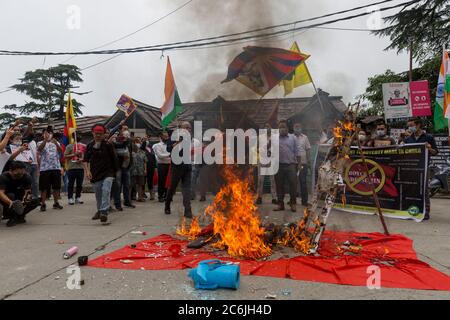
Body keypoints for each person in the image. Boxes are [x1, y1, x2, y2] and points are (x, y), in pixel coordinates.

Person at [403, 118, 438, 221]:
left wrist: (429, 148)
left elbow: (435, 152)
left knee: (424, 190)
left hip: (424, 167)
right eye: (409, 126)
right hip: (411, 168)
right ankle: (411, 211)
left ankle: (425, 212)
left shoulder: (428, 137)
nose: (410, 128)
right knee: (411, 189)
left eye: (412, 125)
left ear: (418, 125)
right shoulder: (408, 139)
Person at [83, 124, 119, 223]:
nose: (98, 136)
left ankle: (104, 212)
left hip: (108, 172)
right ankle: (99, 210)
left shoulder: (108, 145)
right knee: (98, 194)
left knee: (106, 190)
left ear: (104, 134)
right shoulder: (90, 145)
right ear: (93, 133)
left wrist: (115, 172)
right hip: (95, 173)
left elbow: (114, 159)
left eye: (100, 134)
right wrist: (87, 171)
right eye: (96, 134)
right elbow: (85, 160)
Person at [165, 122, 198, 218]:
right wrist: (177, 143)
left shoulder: (190, 138)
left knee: (186, 189)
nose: (188, 129)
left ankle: (188, 210)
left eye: (190, 128)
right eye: (186, 127)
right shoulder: (174, 137)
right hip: (177, 166)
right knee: (172, 187)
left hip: (187, 165)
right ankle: (167, 205)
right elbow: (168, 149)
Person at [0, 161, 40, 227]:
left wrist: (26, 200)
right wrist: (11, 202)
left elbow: (28, 192)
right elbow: (1, 193)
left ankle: (20, 216)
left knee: (35, 200)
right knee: (11, 196)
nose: (20, 175)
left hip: (19, 197)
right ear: (10, 171)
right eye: (17, 173)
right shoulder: (4, 177)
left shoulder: (26, 177)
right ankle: (11, 217)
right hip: (7, 199)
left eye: (22, 173)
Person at [274, 120, 301, 213]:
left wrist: (299, 164)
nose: (282, 129)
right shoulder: (275, 139)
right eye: (280, 127)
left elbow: (297, 152)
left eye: (283, 127)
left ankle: (293, 204)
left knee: (293, 185)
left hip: (291, 165)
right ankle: (280, 204)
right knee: (279, 185)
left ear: (287, 128)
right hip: (278, 166)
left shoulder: (293, 138)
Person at [37, 128, 63, 212]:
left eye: (49, 133)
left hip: (56, 167)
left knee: (56, 187)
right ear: (43, 135)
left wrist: (56, 143)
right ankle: (43, 204)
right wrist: (45, 140)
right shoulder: (40, 143)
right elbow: (40, 149)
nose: (48, 135)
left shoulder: (56, 142)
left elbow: (61, 151)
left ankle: (56, 203)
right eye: (46, 133)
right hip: (45, 169)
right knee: (44, 188)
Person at [111, 124, 135, 210]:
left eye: (127, 129)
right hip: (118, 166)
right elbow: (117, 148)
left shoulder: (129, 141)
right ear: (120, 130)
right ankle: (117, 204)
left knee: (127, 185)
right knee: (117, 186)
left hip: (127, 166)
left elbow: (131, 152)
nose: (126, 131)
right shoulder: (115, 139)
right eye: (124, 129)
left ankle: (127, 201)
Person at [256, 123, 277, 205]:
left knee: (273, 180)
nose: (267, 128)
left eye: (268, 126)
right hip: (262, 160)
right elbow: (256, 148)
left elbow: (276, 148)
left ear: (271, 128)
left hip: (271, 160)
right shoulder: (260, 137)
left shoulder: (274, 138)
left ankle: (274, 198)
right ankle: (259, 197)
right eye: (265, 126)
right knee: (260, 180)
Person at [64, 132, 86, 205]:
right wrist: (74, 154)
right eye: (77, 135)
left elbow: (86, 157)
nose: (79, 136)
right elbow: (65, 156)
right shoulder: (69, 146)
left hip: (80, 168)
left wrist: (82, 159)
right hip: (71, 168)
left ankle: (78, 197)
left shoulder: (83, 146)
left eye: (80, 135)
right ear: (74, 137)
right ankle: (70, 198)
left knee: (79, 184)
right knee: (71, 184)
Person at [293, 121, 311, 206]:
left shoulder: (305, 137)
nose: (297, 128)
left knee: (303, 182)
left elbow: (308, 150)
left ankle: (304, 201)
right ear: (293, 128)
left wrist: (308, 161)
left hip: (303, 163)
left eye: (299, 127)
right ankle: (292, 201)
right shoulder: (290, 137)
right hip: (293, 163)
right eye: (296, 127)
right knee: (292, 182)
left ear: (301, 128)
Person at [153, 131, 171, 202]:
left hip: (170, 165)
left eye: (167, 136)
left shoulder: (170, 145)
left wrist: (167, 155)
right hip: (162, 165)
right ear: (161, 137)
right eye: (165, 136)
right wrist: (169, 155)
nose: (167, 138)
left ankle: (167, 195)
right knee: (161, 181)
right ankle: (160, 196)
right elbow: (160, 156)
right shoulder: (157, 145)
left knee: (168, 181)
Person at [130, 137, 147, 202]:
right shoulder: (130, 151)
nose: (138, 143)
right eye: (136, 142)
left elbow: (145, 161)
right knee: (130, 185)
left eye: (139, 142)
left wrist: (145, 170)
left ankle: (140, 197)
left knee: (140, 184)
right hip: (132, 171)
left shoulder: (142, 152)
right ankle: (128, 199)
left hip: (141, 171)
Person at [143, 136, 157, 200]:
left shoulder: (151, 148)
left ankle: (151, 195)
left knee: (150, 181)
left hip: (151, 167)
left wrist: (155, 167)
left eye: (147, 139)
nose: (146, 141)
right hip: (143, 167)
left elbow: (154, 158)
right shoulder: (141, 148)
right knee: (143, 181)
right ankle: (142, 194)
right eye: (144, 140)